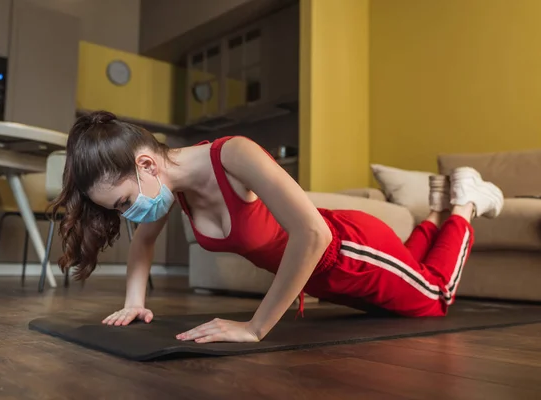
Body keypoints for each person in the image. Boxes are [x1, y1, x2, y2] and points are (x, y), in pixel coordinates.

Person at [49, 110, 504, 344]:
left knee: (435, 297)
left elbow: (315, 235)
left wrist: (255, 327)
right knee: (410, 277)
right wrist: (134, 303)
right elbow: (143, 243)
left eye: (125, 202)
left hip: (349, 253)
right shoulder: (169, 187)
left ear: (146, 164)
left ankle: (464, 203)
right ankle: (436, 215)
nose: (129, 215)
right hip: (325, 280)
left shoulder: (233, 154)